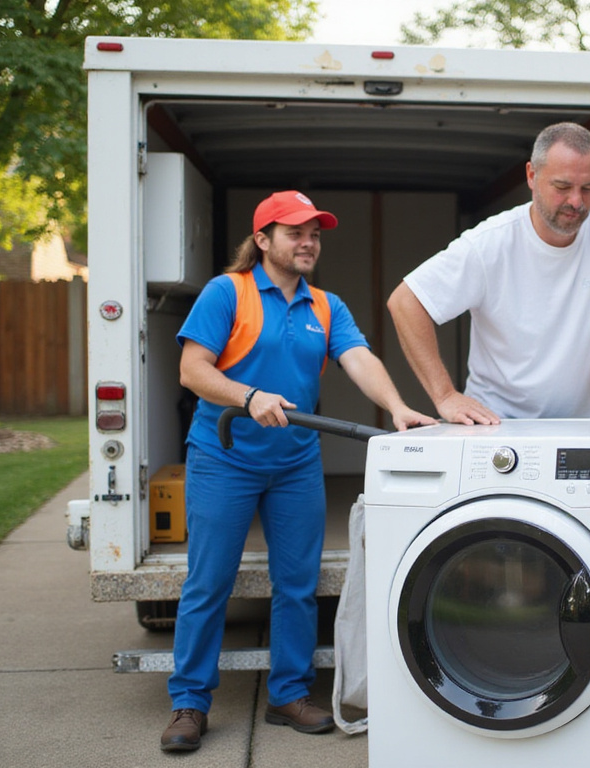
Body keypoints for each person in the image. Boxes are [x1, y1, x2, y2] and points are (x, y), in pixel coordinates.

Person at [162, 190, 435, 753]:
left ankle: (289, 694)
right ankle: (189, 702)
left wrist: (398, 407)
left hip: (294, 464)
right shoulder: (226, 293)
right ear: (262, 241)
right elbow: (192, 370)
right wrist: (249, 394)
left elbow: (358, 357)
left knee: (297, 585)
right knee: (208, 583)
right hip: (224, 457)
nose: (309, 242)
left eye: (315, 234)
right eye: (295, 233)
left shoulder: (325, 307)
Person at [387, 121, 590, 424]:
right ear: (531, 175)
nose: (576, 202)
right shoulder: (488, 243)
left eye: (588, 188)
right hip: (497, 424)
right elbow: (405, 301)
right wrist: (445, 395)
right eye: (562, 187)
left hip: (588, 425)